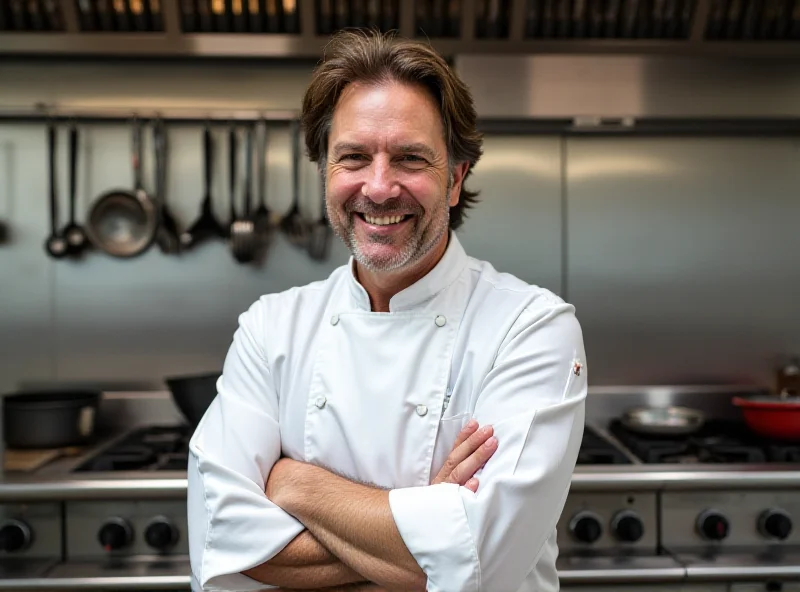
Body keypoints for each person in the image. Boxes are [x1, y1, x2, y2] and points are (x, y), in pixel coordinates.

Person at [187, 29, 587, 592]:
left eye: (409, 158)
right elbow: (220, 539)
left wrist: (297, 487)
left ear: (454, 179)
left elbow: (484, 559)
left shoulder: (530, 328)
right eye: (353, 157)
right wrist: (429, 525)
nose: (378, 188)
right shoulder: (270, 328)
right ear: (325, 171)